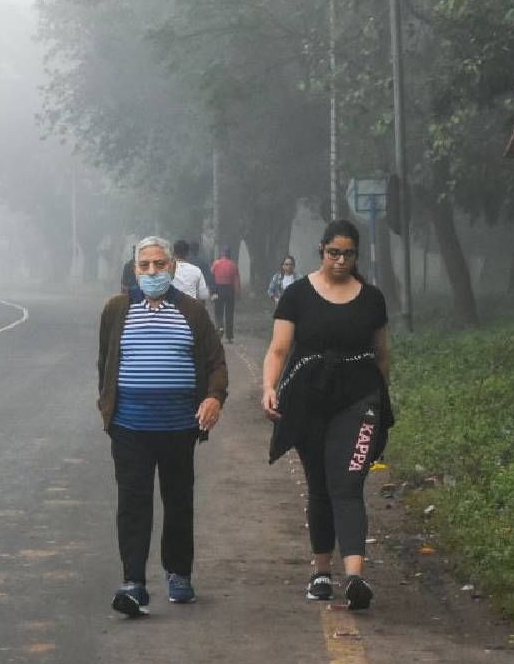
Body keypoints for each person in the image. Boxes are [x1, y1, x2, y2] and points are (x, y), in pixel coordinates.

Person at [260, 219, 393, 610]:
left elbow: (382, 354)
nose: (340, 260)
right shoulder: (298, 295)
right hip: (308, 401)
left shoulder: (371, 298)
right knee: (319, 484)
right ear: (321, 251)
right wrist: (269, 387)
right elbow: (279, 349)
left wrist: (380, 399)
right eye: (333, 252)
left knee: (348, 483)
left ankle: (355, 577)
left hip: (359, 401)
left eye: (347, 253)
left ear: (356, 255)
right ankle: (321, 572)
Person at [98, 236, 228, 617]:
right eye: (145, 266)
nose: (152, 272)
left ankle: (179, 573)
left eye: (159, 265)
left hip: (177, 427)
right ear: (134, 269)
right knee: (133, 503)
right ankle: (134, 583)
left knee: (178, 500)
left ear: (172, 268)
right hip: (129, 427)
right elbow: (105, 363)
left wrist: (213, 398)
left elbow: (215, 363)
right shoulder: (116, 310)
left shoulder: (192, 312)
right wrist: (106, 406)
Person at [210, 247, 241, 343]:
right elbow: (236, 281)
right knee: (229, 313)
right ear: (230, 255)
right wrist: (238, 293)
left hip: (218, 289)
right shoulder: (233, 265)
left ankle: (220, 327)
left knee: (218, 311)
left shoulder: (216, 263)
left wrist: (212, 292)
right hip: (229, 290)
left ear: (222, 254)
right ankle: (229, 336)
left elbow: (211, 277)